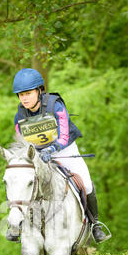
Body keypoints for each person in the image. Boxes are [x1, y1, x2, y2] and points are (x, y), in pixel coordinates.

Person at [13, 68, 110, 243]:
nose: (24, 98)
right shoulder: (19, 116)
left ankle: (95, 224)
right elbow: (23, 143)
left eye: (28, 93)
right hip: (39, 156)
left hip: (65, 150)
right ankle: (17, 224)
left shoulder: (55, 105)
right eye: (21, 95)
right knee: (21, 182)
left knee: (86, 183)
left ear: (39, 91)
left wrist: (52, 150)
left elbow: (64, 135)